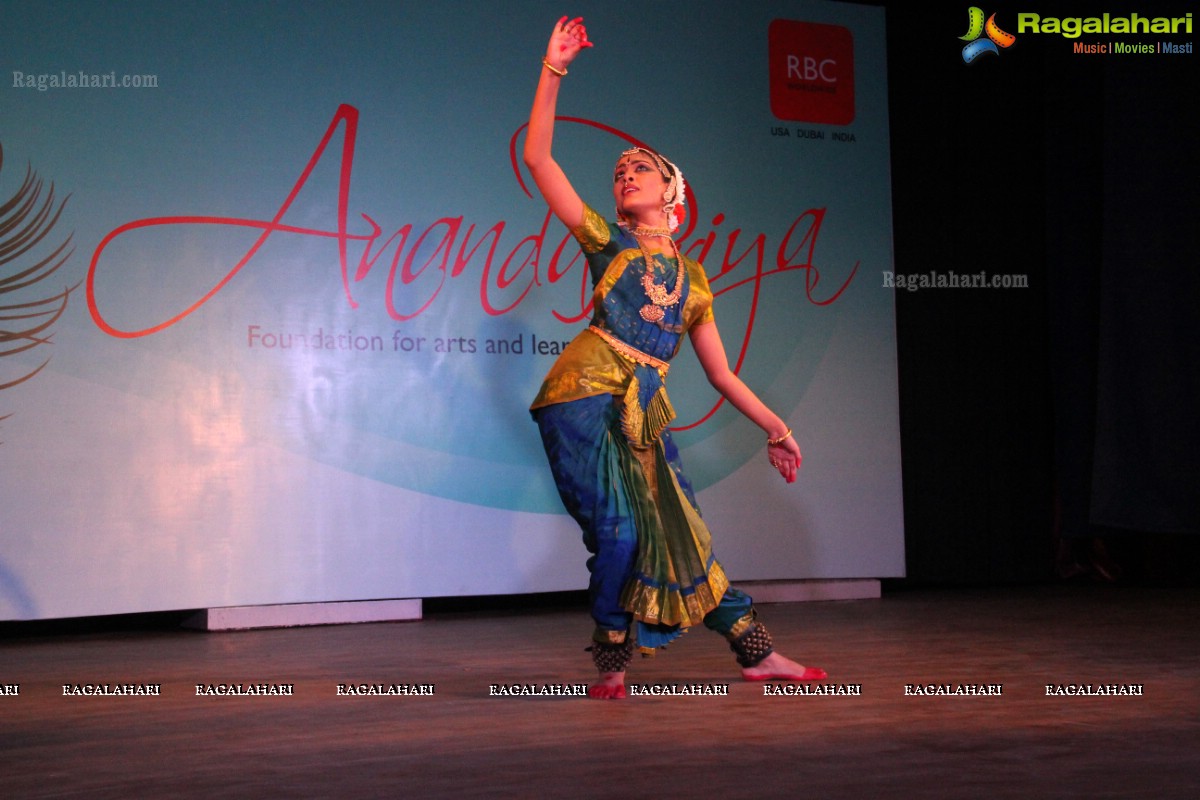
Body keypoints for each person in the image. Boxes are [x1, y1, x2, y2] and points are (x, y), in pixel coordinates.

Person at [524, 16, 826, 699]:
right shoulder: (608, 243)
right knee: (622, 533)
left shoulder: (693, 281)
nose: (626, 172)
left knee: (679, 533)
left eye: (641, 167)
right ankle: (612, 660)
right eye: (619, 170)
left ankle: (756, 652)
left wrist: (777, 430)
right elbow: (540, 159)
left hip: (644, 412)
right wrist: (555, 68)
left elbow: (721, 374)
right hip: (582, 397)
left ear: (672, 195)